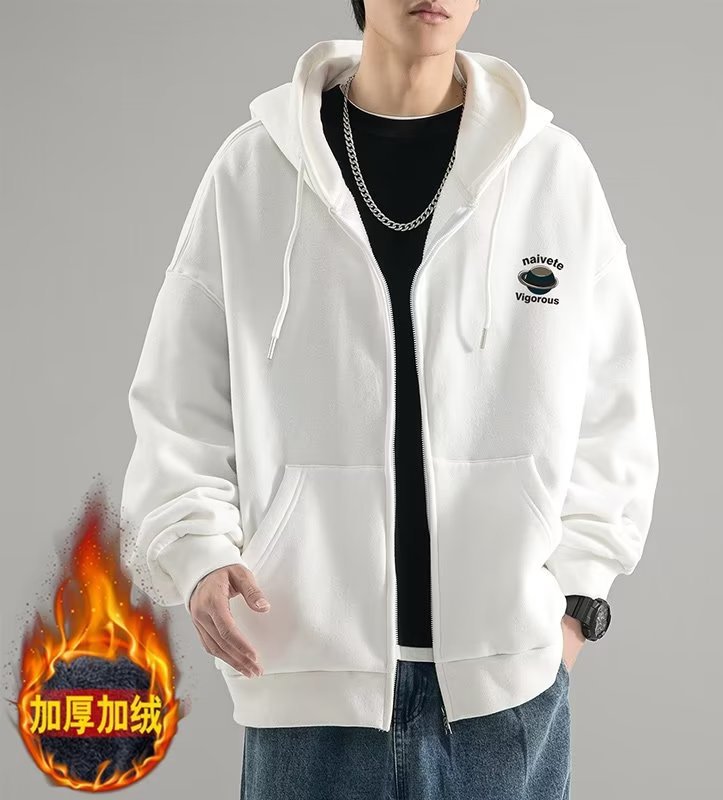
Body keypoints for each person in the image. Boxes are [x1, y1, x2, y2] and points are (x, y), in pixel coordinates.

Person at [120, 2, 659, 798]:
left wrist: (577, 600)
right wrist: (196, 551)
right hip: (306, 677)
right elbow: (180, 397)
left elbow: (615, 406)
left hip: (506, 693)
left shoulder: (553, 173)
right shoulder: (254, 169)